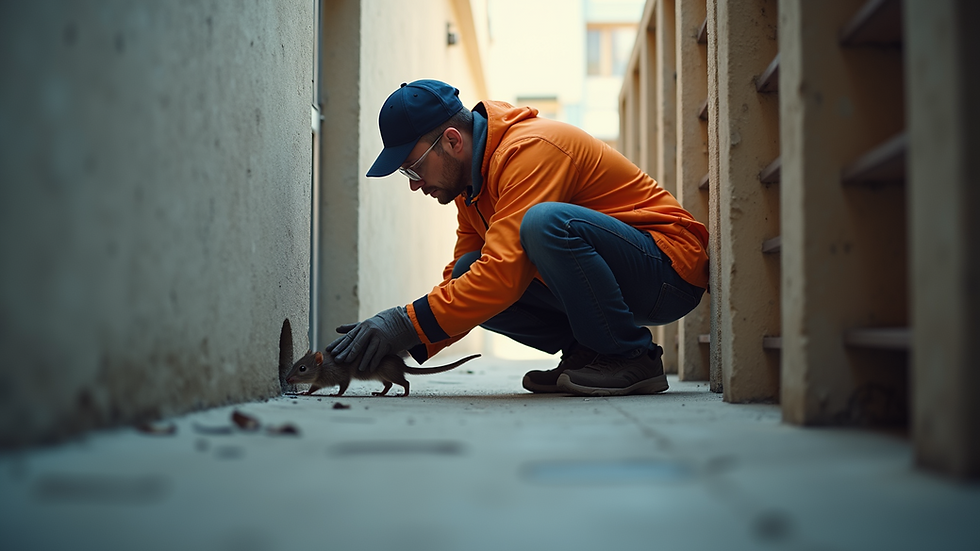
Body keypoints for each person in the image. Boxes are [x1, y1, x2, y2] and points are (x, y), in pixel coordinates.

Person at [326, 79, 709, 396]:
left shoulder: (530, 151)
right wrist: (404, 341)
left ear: (453, 141)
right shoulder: (471, 189)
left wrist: (403, 322)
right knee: (467, 270)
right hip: (623, 276)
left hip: (667, 269)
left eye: (412, 169)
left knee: (545, 224)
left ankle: (631, 357)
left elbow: (503, 275)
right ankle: (588, 354)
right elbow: (467, 283)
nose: (415, 186)